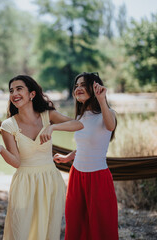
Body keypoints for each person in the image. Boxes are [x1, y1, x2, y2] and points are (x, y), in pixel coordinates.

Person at [0, 75, 84, 240]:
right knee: (21, 231)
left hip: (50, 180)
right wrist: (2, 150)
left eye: (19, 89)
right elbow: (16, 162)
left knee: (47, 230)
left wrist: (52, 128)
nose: (14, 93)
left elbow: (78, 125)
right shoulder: (8, 125)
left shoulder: (47, 115)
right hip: (24, 182)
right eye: (11, 90)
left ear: (32, 94)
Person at [53, 72, 119, 239]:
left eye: (83, 85)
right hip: (77, 175)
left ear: (94, 87)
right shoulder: (81, 116)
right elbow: (86, 146)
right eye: (76, 86)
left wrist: (102, 99)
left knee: (100, 225)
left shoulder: (107, 113)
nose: (78, 88)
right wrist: (69, 157)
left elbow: (110, 127)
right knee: (76, 222)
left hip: (98, 177)